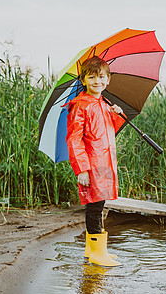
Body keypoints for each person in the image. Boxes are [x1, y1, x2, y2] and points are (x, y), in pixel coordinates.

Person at [66, 56, 125, 267]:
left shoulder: (103, 104)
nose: (97, 81)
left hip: (104, 164)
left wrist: (117, 115)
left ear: (108, 80)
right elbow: (73, 139)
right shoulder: (80, 105)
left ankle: (92, 250)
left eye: (101, 77)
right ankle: (98, 253)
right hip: (91, 165)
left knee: (99, 204)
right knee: (95, 207)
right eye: (91, 77)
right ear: (84, 80)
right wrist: (81, 169)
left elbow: (109, 132)